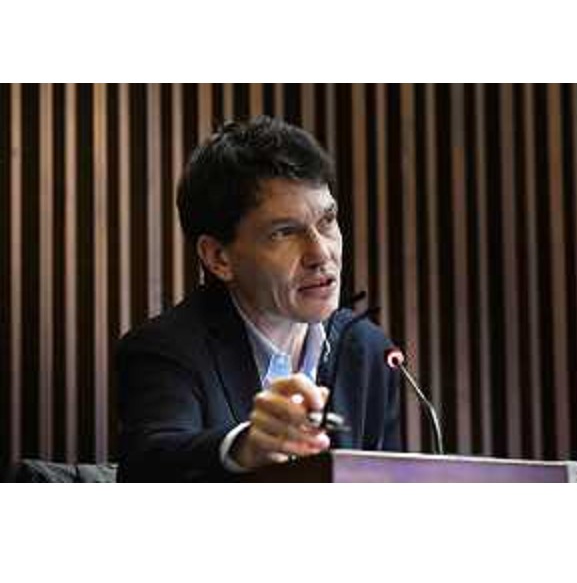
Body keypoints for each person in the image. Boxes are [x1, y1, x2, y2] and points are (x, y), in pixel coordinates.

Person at [116, 116, 401, 482]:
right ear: (219, 257)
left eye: (327, 221)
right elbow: (148, 467)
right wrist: (244, 446)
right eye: (285, 232)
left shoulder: (367, 350)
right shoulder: (167, 349)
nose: (320, 253)